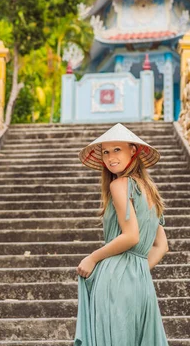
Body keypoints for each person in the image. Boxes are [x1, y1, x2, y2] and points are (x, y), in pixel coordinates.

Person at [74, 123, 169, 346]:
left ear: (133, 150)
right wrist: (134, 274)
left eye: (117, 149)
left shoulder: (119, 185)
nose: (109, 157)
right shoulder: (149, 190)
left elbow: (131, 236)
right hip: (141, 284)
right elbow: (161, 246)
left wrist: (92, 258)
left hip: (114, 280)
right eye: (105, 152)